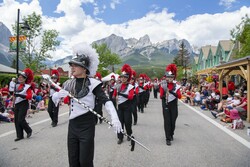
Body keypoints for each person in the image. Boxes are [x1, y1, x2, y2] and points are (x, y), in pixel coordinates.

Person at [52, 43, 122, 167]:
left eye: (76, 65)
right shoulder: (68, 83)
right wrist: (57, 96)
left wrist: (115, 118)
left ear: (84, 68)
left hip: (87, 126)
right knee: (73, 161)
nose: (72, 68)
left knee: (85, 161)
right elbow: (54, 99)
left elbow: (106, 101)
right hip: (73, 126)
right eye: (72, 65)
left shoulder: (94, 83)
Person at [112, 64, 134, 144]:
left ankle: (129, 134)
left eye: (125, 77)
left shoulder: (130, 87)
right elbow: (114, 95)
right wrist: (115, 97)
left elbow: (131, 97)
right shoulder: (117, 86)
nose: (123, 78)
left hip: (127, 106)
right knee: (120, 122)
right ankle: (120, 137)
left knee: (127, 122)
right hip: (120, 107)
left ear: (127, 78)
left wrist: (121, 94)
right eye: (122, 77)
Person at [160, 64, 181, 146]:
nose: (169, 79)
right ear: (165, 77)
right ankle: (167, 138)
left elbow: (179, 96)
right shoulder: (163, 85)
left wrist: (172, 92)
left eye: (171, 77)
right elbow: (160, 96)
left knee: (173, 121)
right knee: (167, 122)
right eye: (168, 77)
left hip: (173, 105)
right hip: (165, 104)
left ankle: (171, 133)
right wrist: (164, 94)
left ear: (174, 77)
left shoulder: (177, 85)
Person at [13, 68, 34, 141]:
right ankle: (19, 135)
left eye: (22, 77)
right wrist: (13, 104)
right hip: (17, 104)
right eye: (19, 77)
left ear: (25, 79)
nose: (20, 78)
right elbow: (14, 95)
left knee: (21, 119)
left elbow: (30, 96)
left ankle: (29, 130)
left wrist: (22, 96)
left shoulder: (27, 87)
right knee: (16, 120)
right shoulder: (17, 86)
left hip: (24, 103)